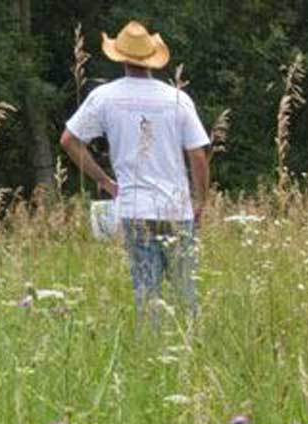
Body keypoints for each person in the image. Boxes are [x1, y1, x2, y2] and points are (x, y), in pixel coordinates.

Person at [59, 21, 211, 321]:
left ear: (121, 57)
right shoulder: (177, 98)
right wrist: (201, 200)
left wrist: (104, 181)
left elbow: (68, 141)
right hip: (177, 208)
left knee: (147, 294)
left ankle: (150, 355)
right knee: (186, 293)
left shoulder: (104, 96)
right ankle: (191, 351)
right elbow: (197, 154)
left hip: (134, 207)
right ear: (152, 59)